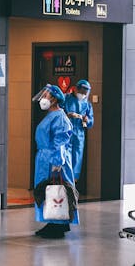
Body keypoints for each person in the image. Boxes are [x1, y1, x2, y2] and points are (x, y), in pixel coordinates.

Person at [32, 84, 78, 239]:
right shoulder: (52, 116)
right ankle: (53, 222)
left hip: (54, 159)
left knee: (56, 190)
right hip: (46, 158)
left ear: (54, 99)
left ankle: (58, 224)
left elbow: (60, 141)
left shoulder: (60, 117)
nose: (43, 98)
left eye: (46, 95)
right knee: (48, 190)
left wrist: (58, 162)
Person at [62, 79, 94, 181]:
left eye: (85, 93)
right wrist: (68, 115)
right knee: (65, 157)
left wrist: (87, 120)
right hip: (66, 133)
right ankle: (64, 181)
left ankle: (73, 182)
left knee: (76, 159)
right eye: (81, 92)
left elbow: (90, 122)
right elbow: (58, 114)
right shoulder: (66, 99)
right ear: (76, 89)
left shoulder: (87, 104)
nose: (83, 95)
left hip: (79, 135)